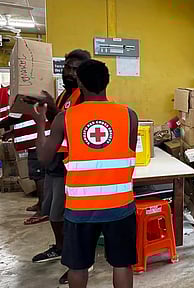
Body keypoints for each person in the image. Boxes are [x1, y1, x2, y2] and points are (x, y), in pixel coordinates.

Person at [31, 59, 138, 288]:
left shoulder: (66, 118)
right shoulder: (129, 116)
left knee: (77, 266)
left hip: (80, 208)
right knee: (122, 264)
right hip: (119, 205)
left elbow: (44, 157)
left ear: (80, 84)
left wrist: (40, 122)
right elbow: (124, 152)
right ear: (107, 82)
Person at [30, 49, 90, 284]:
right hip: (57, 163)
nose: (70, 73)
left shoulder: (85, 96)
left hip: (71, 165)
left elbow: (72, 125)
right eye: (68, 67)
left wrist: (49, 114)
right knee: (54, 214)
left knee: (69, 218)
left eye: (76, 69)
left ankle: (80, 262)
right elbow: (61, 121)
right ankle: (61, 248)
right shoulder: (66, 94)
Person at [0, 85, 48, 225]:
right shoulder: (22, 91)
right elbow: (23, 117)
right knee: (36, 175)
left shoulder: (20, 94)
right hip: (35, 141)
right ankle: (40, 204)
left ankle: (43, 211)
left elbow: (13, 118)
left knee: (39, 176)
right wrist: (12, 133)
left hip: (37, 142)